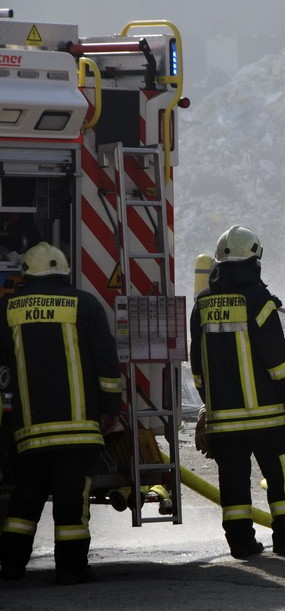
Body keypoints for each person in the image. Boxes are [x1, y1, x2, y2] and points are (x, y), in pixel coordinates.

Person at [190, 225, 285, 559]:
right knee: (283, 474)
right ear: (255, 258)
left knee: (234, 482)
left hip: (223, 419)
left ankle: (241, 544)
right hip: (265, 415)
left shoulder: (202, 303)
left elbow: (196, 362)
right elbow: (275, 357)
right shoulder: (259, 300)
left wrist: (209, 404)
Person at [0, 242, 122, 584]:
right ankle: (71, 569)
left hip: (31, 430)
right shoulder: (86, 305)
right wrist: (112, 409)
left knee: (25, 500)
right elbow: (107, 364)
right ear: (65, 271)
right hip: (79, 430)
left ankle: (11, 566)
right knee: (72, 503)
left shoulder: (8, 308)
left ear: (25, 274)